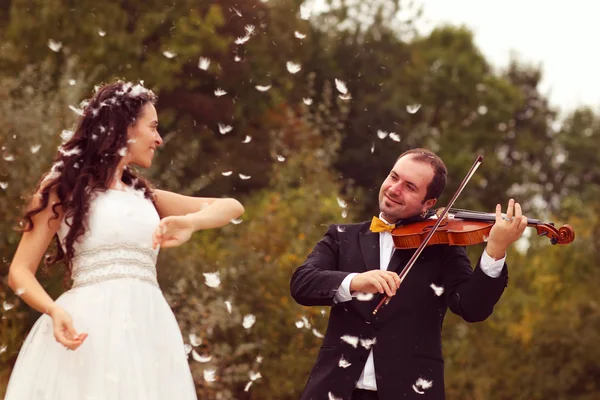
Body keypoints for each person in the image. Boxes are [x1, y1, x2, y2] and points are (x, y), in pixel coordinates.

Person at [5, 80, 244, 399]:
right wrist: (52, 310)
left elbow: (232, 207)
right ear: (125, 128)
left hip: (149, 328)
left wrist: (191, 222)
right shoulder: (63, 189)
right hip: (87, 329)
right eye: (153, 127)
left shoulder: (146, 197)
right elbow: (19, 271)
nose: (159, 139)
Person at [290, 148, 527, 400]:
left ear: (428, 203)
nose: (394, 189)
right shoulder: (341, 236)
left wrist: (496, 249)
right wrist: (355, 281)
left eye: (410, 187)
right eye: (394, 177)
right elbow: (302, 283)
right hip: (334, 390)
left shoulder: (442, 247)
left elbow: (472, 307)